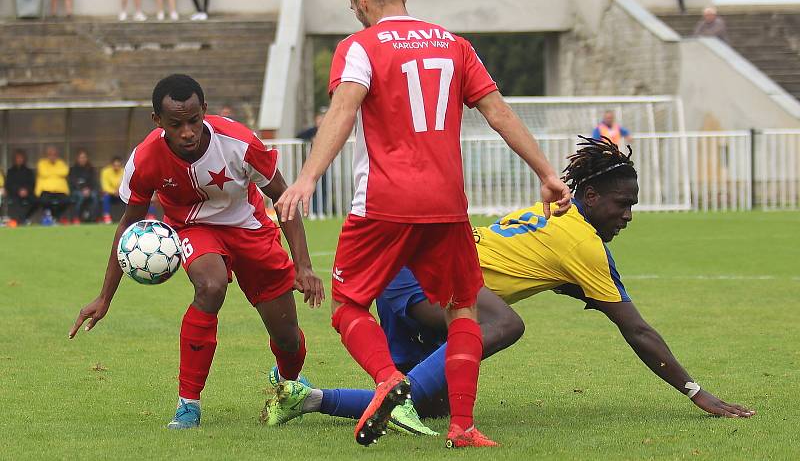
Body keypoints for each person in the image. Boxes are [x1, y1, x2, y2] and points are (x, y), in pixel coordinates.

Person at [276, 0, 571, 449]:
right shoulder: (455, 45)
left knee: (349, 304)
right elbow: (498, 113)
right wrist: (546, 173)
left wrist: (307, 178)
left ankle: (388, 378)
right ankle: (463, 427)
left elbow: (343, 110)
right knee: (462, 310)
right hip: (447, 203)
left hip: (384, 202)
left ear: (360, 1)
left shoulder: (358, 46)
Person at [266, 137, 755, 431]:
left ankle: (304, 398)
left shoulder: (553, 216)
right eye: (620, 203)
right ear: (588, 194)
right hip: (426, 282)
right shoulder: (582, 243)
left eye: (633, 204)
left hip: (408, 278)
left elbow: (530, 263)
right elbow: (638, 330)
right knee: (504, 323)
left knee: (418, 404)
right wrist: (697, 393)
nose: (627, 215)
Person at [68, 74, 323, 431]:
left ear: (204, 110)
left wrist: (304, 266)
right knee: (211, 286)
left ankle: (288, 382)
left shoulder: (239, 142)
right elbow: (128, 225)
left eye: (193, 120)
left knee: (288, 337)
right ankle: (188, 403)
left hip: (250, 227)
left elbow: (283, 201)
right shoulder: (146, 158)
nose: (187, 131)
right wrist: (104, 296)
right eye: (176, 124)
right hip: (193, 228)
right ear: (158, 122)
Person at [36, 145, 71, 224]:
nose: (52, 156)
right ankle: (49, 217)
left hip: (60, 190)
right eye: (50, 154)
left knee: (67, 201)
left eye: (54, 154)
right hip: (46, 190)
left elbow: (65, 172)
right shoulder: (42, 163)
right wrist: (57, 173)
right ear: (47, 155)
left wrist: (51, 172)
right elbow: (44, 172)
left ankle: (55, 217)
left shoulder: (61, 163)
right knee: (44, 201)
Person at [6, 150, 37, 225]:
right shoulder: (10, 171)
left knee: (37, 201)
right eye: (17, 158)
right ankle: (19, 220)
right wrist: (18, 191)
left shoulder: (28, 171)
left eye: (21, 158)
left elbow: (32, 183)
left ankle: (25, 218)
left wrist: (26, 190)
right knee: (15, 202)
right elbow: (9, 184)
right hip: (15, 193)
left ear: (24, 159)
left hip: (27, 193)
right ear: (14, 159)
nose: (19, 159)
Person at [68, 149, 98, 224]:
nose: (82, 159)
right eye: (81, 157)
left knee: (95, 196)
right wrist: (82, 189)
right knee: (80, 196)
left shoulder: (91, 169)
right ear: (77, 158)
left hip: (89, 190)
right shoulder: (73, 169)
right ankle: (76, 217)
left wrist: (89, 190)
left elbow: (93, 182)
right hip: (77, 191)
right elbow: (73, 182)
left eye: (84, 157)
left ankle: (94, 218)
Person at [100, 156, 124, 223]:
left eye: (118, 165)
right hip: (110, 194)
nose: (116, 167)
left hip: (121, 193)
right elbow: (104, 186)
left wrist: (119, 191)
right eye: (115, 165)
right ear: (111, 165)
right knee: (105, 195)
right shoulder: (105, 171)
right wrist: (113, 192)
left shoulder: (124, 171)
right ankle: (106, 216)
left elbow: (126, 184)